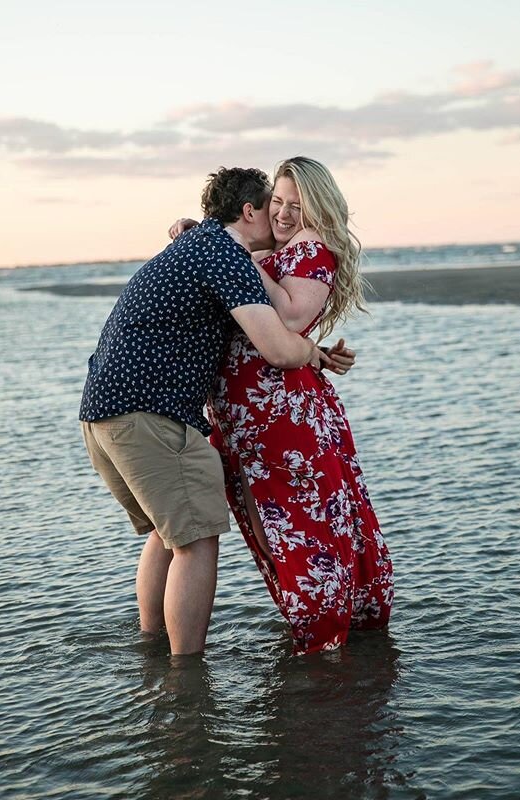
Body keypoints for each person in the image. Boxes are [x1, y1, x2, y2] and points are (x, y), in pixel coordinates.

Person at [79, 166, 351, 657]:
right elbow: (278, 348)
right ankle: (186, 674)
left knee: (169, 534)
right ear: (249, 212)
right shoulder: (225, 254)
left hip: (103, 413)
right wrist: (314, 353)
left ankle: (151, 647)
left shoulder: (200, 244)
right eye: (272, 206)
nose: (279, 216)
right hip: (149, 415)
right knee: (197, 540)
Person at [170, 157, 394, 654]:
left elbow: (291, 316)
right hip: (244, 410)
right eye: (278, 202)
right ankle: (320, 630)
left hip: (280, 412)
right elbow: (233, 235)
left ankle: (324, 636)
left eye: (299, 205)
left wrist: (240, 261)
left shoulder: (314, 249)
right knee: (274, 521)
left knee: (297, 521)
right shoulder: (276, 244)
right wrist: (199, 232)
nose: (286, 213)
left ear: (319, 208)